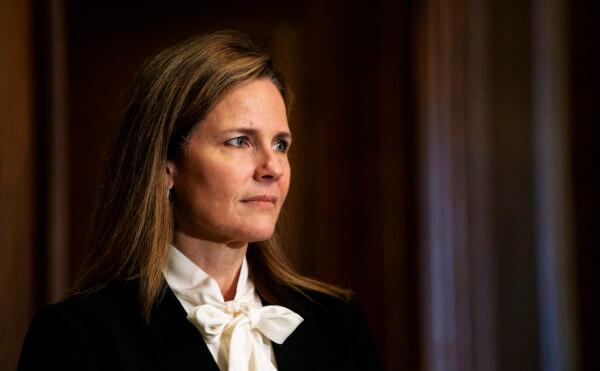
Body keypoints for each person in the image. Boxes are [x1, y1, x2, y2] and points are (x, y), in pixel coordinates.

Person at [17, 31, 381, 371]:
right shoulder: (79, 336)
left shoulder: (337, 323)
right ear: (165, 167)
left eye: (280, 144)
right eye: (240, 141)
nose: (272, 168)